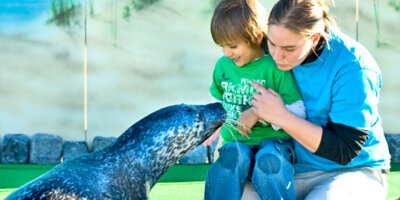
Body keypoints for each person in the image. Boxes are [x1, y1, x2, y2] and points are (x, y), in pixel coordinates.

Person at [245, 0, 391, 199]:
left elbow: (344, 149)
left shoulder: (353, 66)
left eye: (289, 48)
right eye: (271, 43)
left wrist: (281, 116)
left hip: (351, 171)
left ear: (314, 38)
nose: (277, 56)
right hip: (287, 169)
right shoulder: (266, 53)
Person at [203, 0, 305, 199]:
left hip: (275, 143)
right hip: (236, 142)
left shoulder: (274, 67)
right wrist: (212, 124)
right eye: (222, 46)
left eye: (232, 46)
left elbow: (299, 110)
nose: (226, 53)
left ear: (257, 37)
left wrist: (260, 112)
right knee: (232, 159)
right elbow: (217, 100)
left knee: (269, 162)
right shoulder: (223, 65)